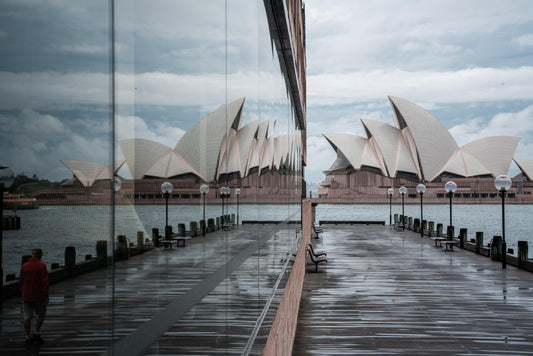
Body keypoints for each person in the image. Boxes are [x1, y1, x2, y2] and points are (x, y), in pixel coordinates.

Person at [19, 248, 49, 345]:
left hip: (26, 296)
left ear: (32, 256)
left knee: (27, 317)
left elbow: (21, 281)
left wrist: (23, 292)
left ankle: (27, 337)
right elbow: (45, 283)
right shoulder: (42, 266)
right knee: (41, 314)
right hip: (38, 296)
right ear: (40, 256)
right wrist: (45, 296)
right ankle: (36, 332)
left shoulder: (24, 266)